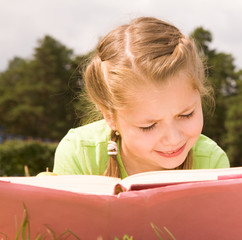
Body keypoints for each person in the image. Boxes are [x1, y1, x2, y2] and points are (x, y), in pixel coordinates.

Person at [53, 17, 229, 179]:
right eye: (149, 126)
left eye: (186, 115)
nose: (173, 139)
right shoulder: (79, 154)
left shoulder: (212, 163)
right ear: (110, 117)